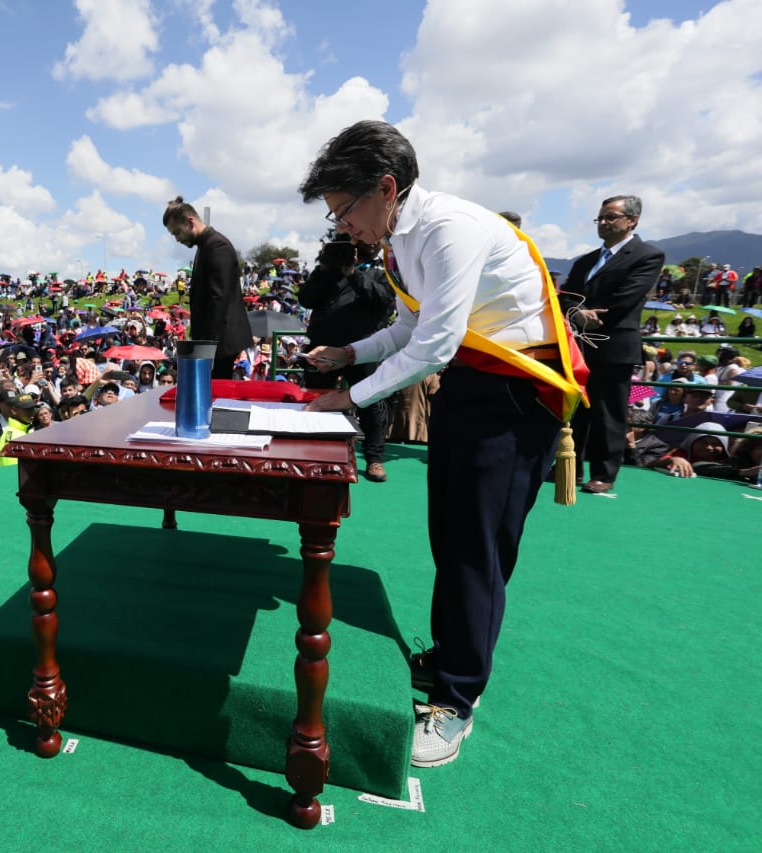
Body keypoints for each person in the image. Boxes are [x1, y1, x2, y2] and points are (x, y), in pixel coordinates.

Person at [297, 120, 586, 768]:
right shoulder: (404, 240)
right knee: (449, 535)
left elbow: (434, 342)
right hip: (469, 390)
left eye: (344, 210)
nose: (342, 226)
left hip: (515, 399)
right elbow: (405, 325)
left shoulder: (448, 229)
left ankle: (458, 699)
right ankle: (454, 649)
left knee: (476, 549)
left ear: (387, 188)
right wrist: (349, 351)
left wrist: (350, 396)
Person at [560, 195, 664, 494]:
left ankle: (605, 473)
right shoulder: (584, 261)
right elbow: (565, 296)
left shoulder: (647, 255)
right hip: (579, 344)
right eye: (600, 218)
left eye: (611, 217)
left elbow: (627, 298)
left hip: (614, 344)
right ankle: (570, 466)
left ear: (632, 220)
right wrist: (576, 313)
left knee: (609, 412)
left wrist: (591, 316)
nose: (603, 223)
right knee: (574, 408)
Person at [297, 234, 395, 482]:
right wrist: (326, 268)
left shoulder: (378, 272)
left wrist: (352, 272)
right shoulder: (326, 272)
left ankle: (374, 457)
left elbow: (382, 301)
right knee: (316, 397)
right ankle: (314, 450)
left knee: (372, 402)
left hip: (362, 349)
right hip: (323, 348)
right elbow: (306, 299)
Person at [162, 196, 253, 378]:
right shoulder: (205, 246)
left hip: (220, 343)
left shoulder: (217, 246)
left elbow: (217, 299)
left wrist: (207, 348)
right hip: (214, 342)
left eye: (177, 233)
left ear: (190, 222)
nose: (177, 239)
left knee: (216, 394)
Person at [0, 391, 37, 465]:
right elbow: (10, 469)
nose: (32, 412)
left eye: (32, 408)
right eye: (27, 409)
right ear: (14, 411)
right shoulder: (10, 436)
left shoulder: (30, 430)